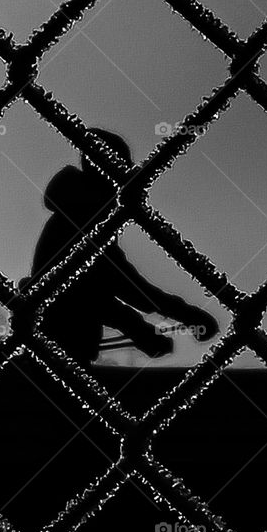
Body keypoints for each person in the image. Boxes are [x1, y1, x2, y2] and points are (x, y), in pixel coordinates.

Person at [27, 128, 219, 363]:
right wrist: (178, 318)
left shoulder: (76, 212)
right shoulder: (86, 217)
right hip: (65, 339)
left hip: (54, 334)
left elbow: (100, 289)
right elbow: (109, 288)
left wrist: (141, 329)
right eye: (121, 170)